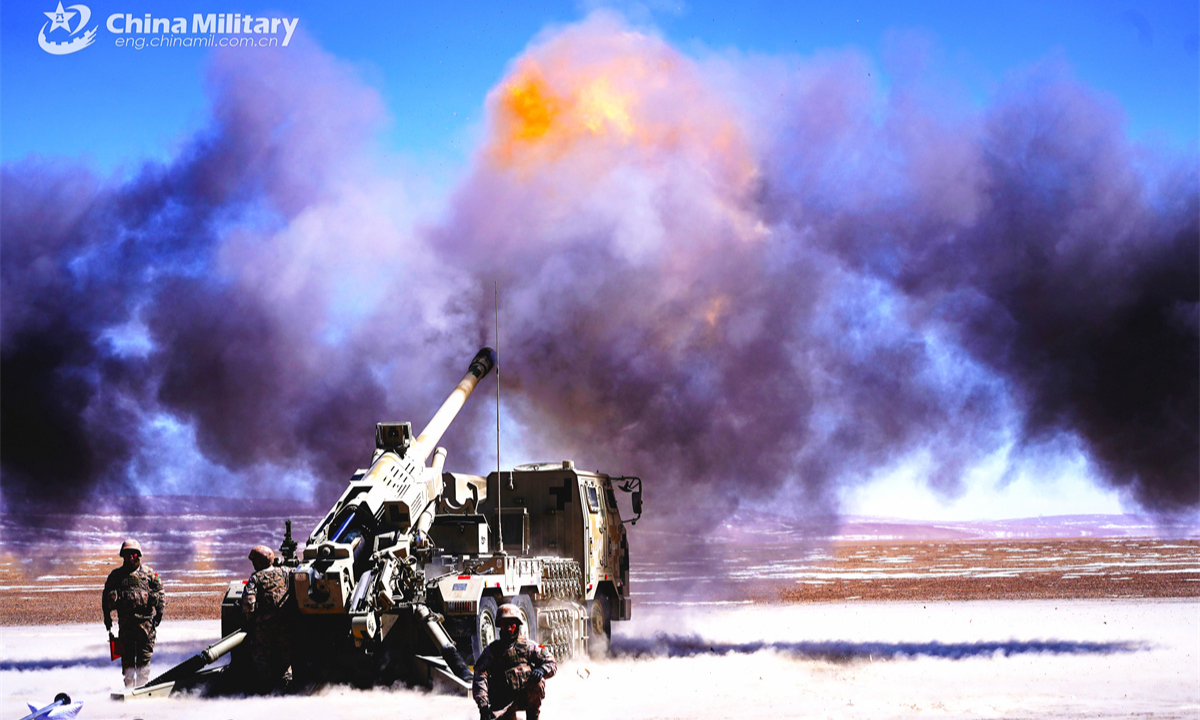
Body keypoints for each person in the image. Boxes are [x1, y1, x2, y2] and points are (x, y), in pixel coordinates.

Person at [472, 603, 557, 720]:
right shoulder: (492, 651)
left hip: (524, 696)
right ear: (500, 626)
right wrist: (483, 706)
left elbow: (551, 662)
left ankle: (533, 716)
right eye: (505, 624)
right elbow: (479, 675)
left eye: (511, 624)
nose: (508, 628)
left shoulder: (528, 646)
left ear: (517, 625)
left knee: (537, 682)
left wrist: (542, 670)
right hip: (502, 701)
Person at [102, 539, 164, 688]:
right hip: (126, 627)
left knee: (144, 663)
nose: (130, 557)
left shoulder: (149, 574)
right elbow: (105, 597)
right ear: (123, 555)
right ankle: (129, 691)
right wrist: (107, 617)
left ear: (138, 555)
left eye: (133, 554)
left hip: (146, 627)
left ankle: (141, 690)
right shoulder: (116, 576)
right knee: (128, 663)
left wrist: (159, 613)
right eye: (127, 554)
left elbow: (160, 593)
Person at [240, 544, 292, 691]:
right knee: (285, 655)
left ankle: (266, 688)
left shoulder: (255, 578)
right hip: (284, 623)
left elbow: (249, 602)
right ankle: (287, 684)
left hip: (264, 626)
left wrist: (251, 617)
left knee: (261, 656)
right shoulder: (284, 571)